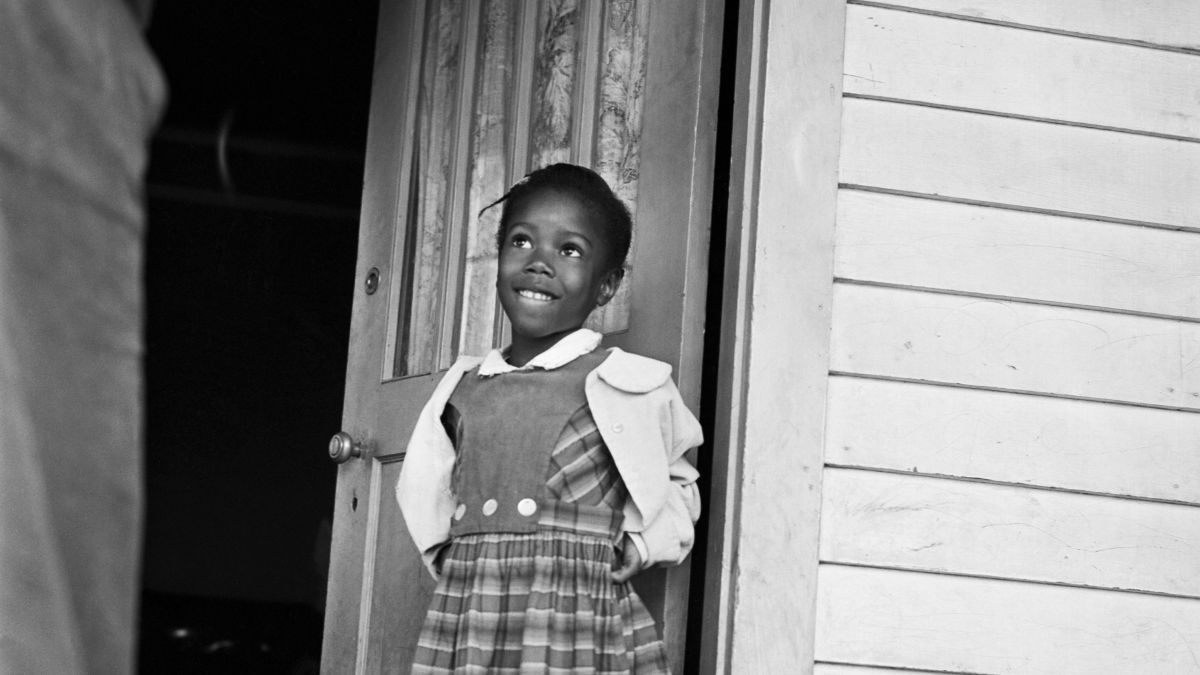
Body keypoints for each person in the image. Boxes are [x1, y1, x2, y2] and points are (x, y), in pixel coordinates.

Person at [396, 163, 702, 674]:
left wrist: (646, 543)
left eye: (569, 250)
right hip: (477, 605)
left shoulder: (628, 384)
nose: (539, 263)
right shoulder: (463, 388)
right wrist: (448, 559)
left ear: (606, 286)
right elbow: (424, 485)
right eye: (521, 242)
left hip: (580, 615)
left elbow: (678, 479)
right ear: (497, 262)